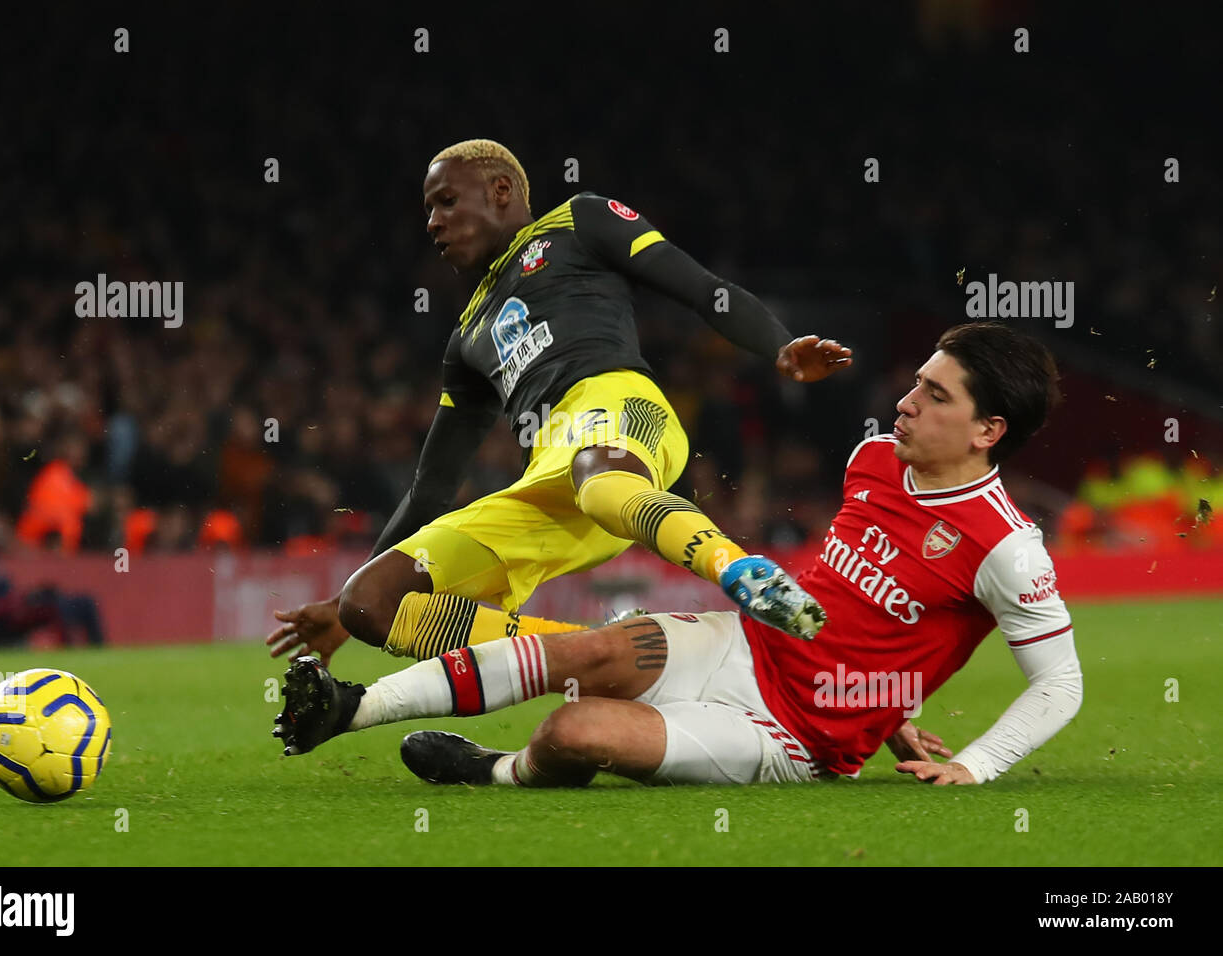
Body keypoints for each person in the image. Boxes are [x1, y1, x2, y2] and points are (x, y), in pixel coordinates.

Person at [273, 322, 1082, 788]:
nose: (908, 401)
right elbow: (863, 610)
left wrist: (976, 764)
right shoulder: (873, 459)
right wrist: (893, 702)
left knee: (576, 731)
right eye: (917, 382)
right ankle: (352, 709)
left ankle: (496, 770)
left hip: (792, 737)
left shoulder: (1005, 546)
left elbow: (1061, 684)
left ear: (988, 432)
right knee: (587, 649)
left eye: (936, 396)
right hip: (744, 643)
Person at [267, 139, 852, 665]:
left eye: (446, 201)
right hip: (548, 480)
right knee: (372, 602)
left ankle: (744, 573)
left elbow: (700, 287)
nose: (434, 222)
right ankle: (597, 653)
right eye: (428, 211)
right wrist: (342, 610)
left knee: (598, 477)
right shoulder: (467, 337)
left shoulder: (580, 220)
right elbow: (431, 487)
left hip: (620, 414)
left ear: (500, 190)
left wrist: (777, 342)